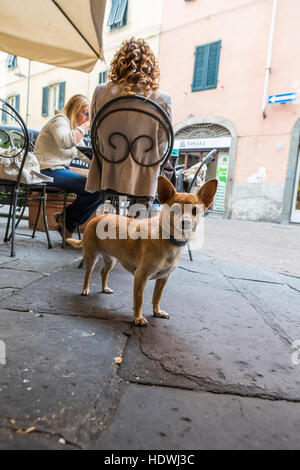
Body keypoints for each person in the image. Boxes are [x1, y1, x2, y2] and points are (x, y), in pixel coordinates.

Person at [85, 37, 173, 199]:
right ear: (151, 66)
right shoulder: (162, 99)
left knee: (110, 216)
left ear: (119, 62)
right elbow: (162, 145)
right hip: (144, 174)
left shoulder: (100, 91)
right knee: (139, 218)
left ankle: (110, 221)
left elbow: (94, 133)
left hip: (108, 169)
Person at [34, 94, 102, 239]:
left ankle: (66, 220)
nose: (87, 118)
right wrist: (85, 126)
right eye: (85, 113)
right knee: (93, 189)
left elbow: (85, 155)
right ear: (75, 110)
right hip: (46, 170)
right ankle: (67, 221)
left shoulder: (72, 128)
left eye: (90, 115)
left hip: (59, 171)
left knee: (99, 189)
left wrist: (106, 162)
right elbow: (65, 142)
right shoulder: (59, 120)